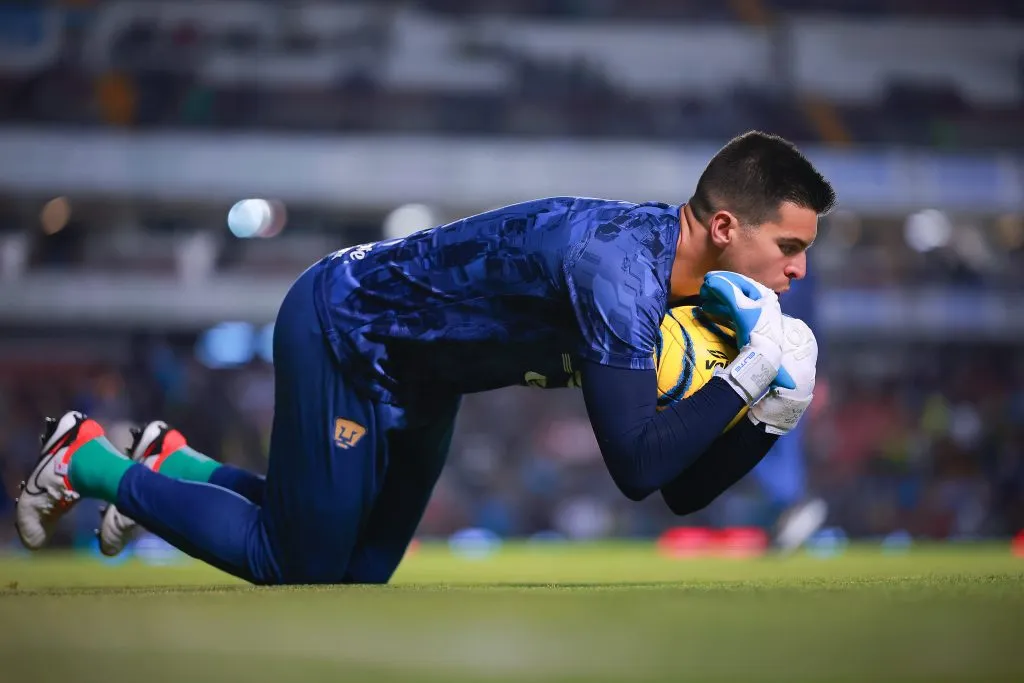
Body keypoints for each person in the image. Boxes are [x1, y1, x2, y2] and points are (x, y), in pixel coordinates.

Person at [15, 131, 834, 584]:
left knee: (359, 577)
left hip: (428, 379)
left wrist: (769, 414)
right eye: (789, 247)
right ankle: (88, 459)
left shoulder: (700, 300)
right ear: (724, 227)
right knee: (295, 565)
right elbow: (636, 465)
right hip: (348, 329)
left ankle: (172, 463)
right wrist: (743, 378)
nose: (798, 271)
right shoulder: (623, 275)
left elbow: (680, 486)